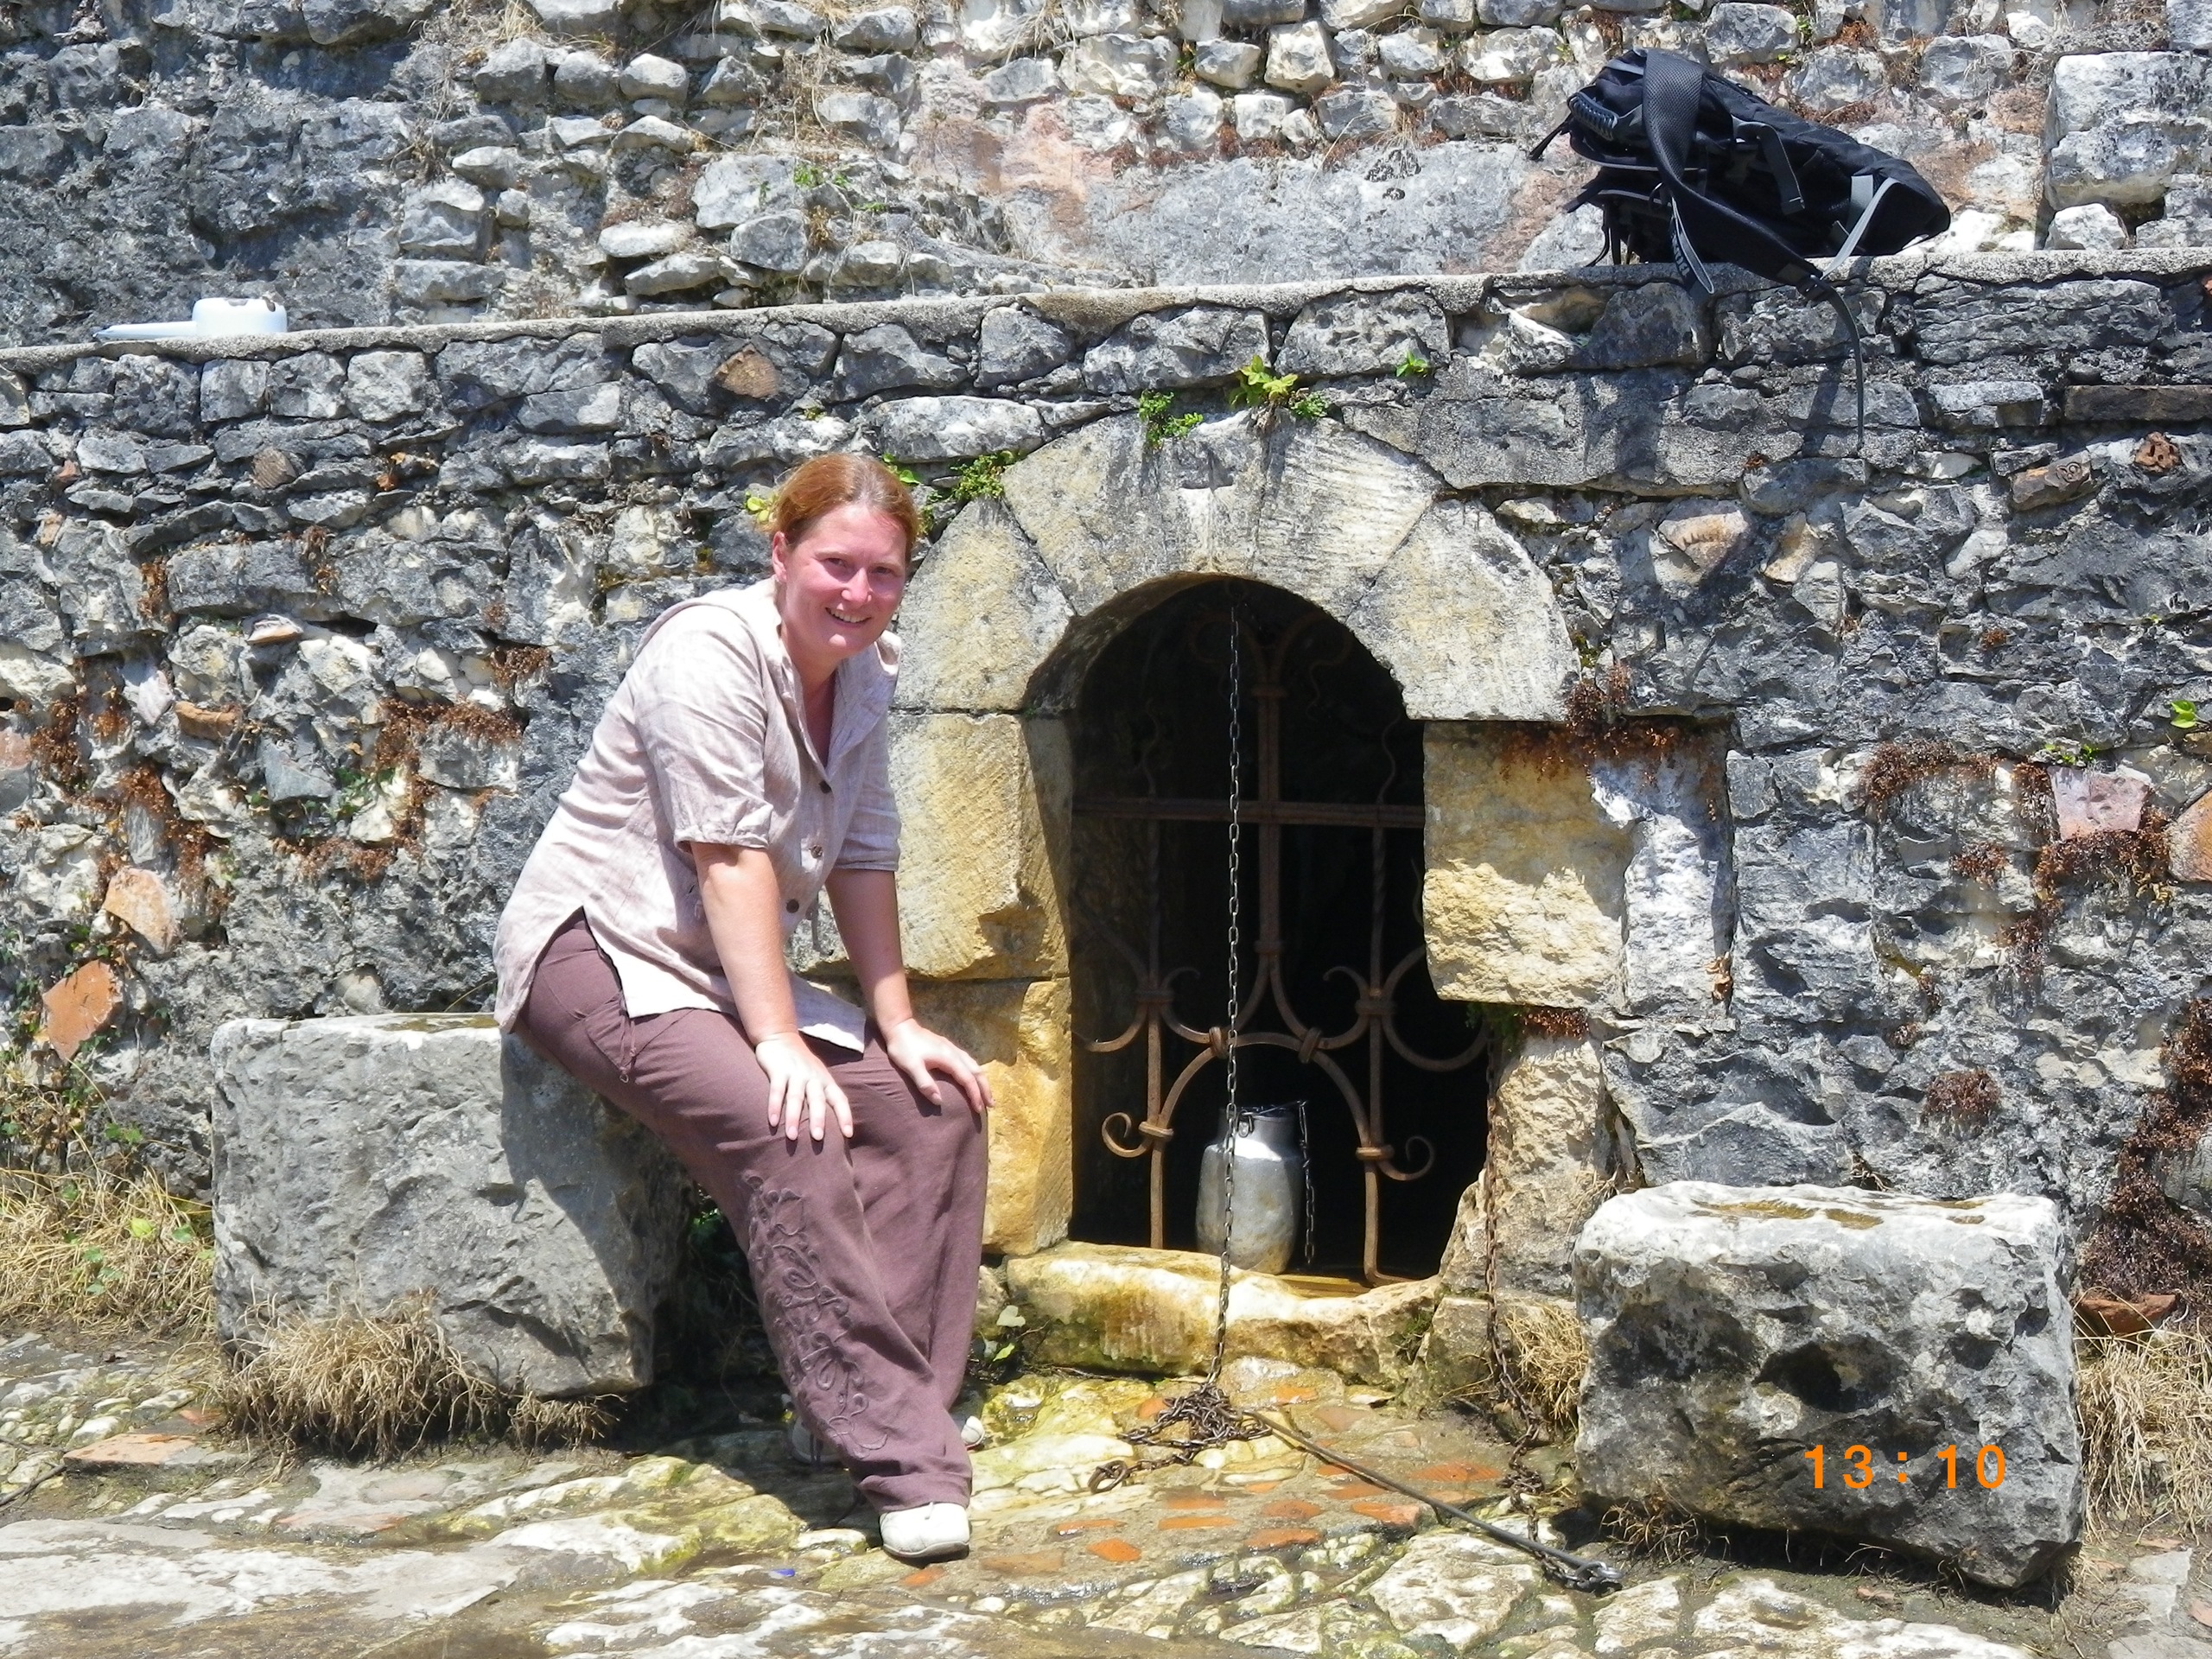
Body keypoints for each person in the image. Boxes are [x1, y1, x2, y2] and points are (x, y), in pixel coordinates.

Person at [493, 454, 993, 1564]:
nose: (858, 593)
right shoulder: (707, 652)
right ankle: (904, 1459)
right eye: (835, 565)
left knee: (933, 1109)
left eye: (883, 573)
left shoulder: (866, 672)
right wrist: (775, 1041)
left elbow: (864, 851)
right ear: (780, 553)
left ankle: (872, 1406)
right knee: (788, 1124)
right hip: (601, 952)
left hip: (722, 966)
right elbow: (726, 858)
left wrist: (898, 1022)